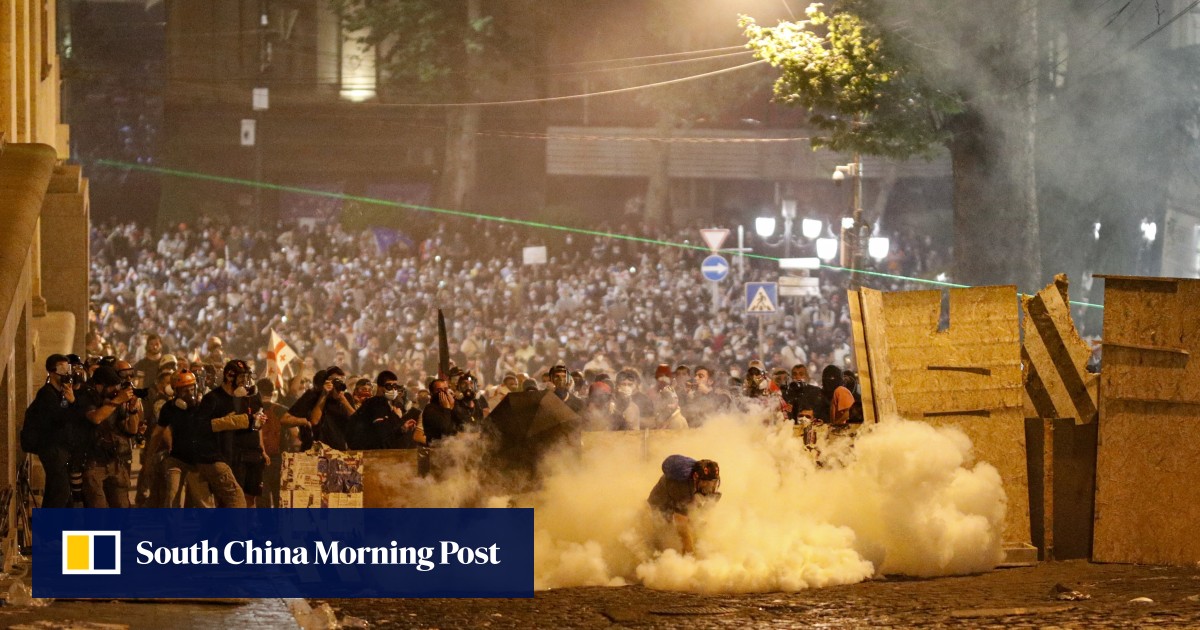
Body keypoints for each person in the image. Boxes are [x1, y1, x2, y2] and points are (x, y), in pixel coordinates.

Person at [158, 370, 246, 508]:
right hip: (177, 458)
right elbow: (159, 432)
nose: (189, 394)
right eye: (184, 390)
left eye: (192, 389)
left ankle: (209, 528)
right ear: (175, 391)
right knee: (172, 497)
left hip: (197, 461)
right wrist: (150, 457)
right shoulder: (168, 408)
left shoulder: (204, 406)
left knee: (203, 503)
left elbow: (223, 417)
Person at [200, 360, 269, 507]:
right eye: (241, 377)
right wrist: (228, 421)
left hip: (253, 452)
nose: (245, 381)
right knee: (229, 498)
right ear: (230, 376)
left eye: (247, 377)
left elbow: (259, 421)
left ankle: (245, 528)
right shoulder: (213, 398)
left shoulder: (253, 396)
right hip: (230, 454)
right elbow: (202, 427)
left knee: (250, 496)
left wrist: (262, 447)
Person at [73, 365, 141, 508]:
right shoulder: (86, 396)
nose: (115, 391)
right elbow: (96, 418)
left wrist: (133, 409)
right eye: (111, 387)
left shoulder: (113, 399)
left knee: (122, 506)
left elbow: (131, 429)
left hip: (114, 461)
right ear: (100, 385)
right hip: (93, 462)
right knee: (99, 509)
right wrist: (117, 401)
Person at [21, 354, 77, 508]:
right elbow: (58, 419)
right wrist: (72, 403)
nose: (66, 372)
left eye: (68, 368)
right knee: (60, 491)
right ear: (52, 371)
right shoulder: (46, 394)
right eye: (62, 368)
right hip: (52, 449)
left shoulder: (61, 393)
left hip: (61, 448)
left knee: (56, 491)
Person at [646, 455, 721, 555]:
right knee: (662, 533)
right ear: (695, 477)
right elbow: (681, 522)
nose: (709, 486)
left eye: (713, 482)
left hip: (683, 499)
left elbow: (702, 512)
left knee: (696, 525)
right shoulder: (682, 487)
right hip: (661, 504)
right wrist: (690, 552)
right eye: (705, 482)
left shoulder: (704, 481)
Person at [283, 367, 355, 450]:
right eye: (335, 381)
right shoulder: (313, 395)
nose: (338, 384)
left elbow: (355, 421)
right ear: (326, 381)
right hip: (313, 450)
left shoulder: (346, 397)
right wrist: (324, 395)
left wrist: (343, 400)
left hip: (338, 451)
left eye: (341, 381)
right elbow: (314, 421)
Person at [349, 371, 419, 449]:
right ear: (380, 387)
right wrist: (396, 416)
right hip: (367, 453)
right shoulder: (375, 403)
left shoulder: (386, 404)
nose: (393, 389)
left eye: (395, 386)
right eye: (389, 386)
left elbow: (388, 435)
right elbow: (381, 434)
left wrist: (402, 428)